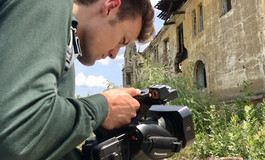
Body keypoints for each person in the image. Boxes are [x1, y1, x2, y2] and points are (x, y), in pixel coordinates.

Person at [0, 0, 155, 159]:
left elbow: (43, 149)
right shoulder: (48, 4)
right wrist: (103, 108)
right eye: (122, 40)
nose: (114, 54)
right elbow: (15, 139)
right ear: (110, 6)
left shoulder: (67, 58)